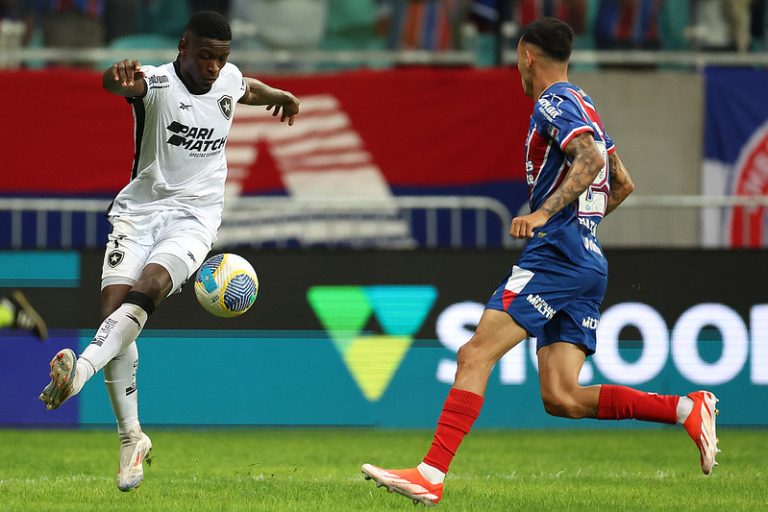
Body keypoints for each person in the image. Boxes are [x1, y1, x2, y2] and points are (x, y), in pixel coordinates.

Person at [361, 17, 719, 506]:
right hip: (586, 258)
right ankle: (684, 408)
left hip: (557, 254)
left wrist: (546, 215)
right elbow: (623, 182)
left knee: (474, 355)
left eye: (516, 57)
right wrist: (581, 228)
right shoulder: (586, 102)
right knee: (562, 397)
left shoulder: (552, 102)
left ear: (526, 55)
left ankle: (430, 473)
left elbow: (590, 159)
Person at [38, 10, 299, 493]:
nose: (214, 67)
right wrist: (113, 78)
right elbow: (119, 85)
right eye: (205, 56)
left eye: (221, 58)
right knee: (114, 317)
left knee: (149, 288)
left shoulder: (228, 78)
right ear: (183, 46)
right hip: (138, 213)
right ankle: (132, 437)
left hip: (194, 219)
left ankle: (79, 376)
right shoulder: (156, 83)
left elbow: (246, 87)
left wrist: (278, 95)